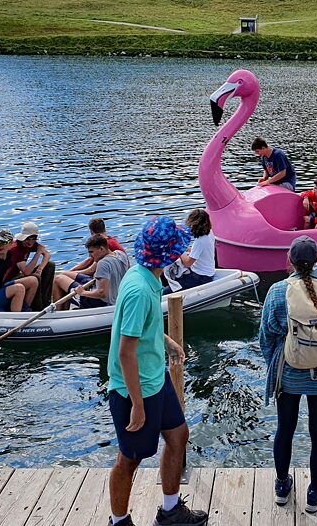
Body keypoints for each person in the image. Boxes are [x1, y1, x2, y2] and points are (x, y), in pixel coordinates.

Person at [106, 216, 208, 526]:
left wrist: (166, 342)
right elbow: (125, 351)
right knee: (130, 458)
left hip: (155, 379)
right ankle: (119, 521)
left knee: (178, 435)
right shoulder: (139, 289)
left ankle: (170, 510)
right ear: (168, 254)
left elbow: (138, 330)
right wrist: (136, 404)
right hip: (134, 390)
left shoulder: (146, 277)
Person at [259, 236, 317, 513]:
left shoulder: (277, 291)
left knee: (285, 429)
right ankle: (315, 492)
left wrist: (275, 363)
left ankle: (282, 486)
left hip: (289, 371)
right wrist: (316, 266)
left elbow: (266, 336)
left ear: (289, 261)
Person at [53, 235, 131, 309]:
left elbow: (102, 293)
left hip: (101, 302)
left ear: (101, 249)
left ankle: (58, 313)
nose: (90, 256)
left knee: (58, 279)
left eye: (91, 252)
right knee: (63, 274)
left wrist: (82, 292)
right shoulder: (120, 254)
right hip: (115, 294)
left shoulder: (103, 263)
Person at [0, 229, 39, 312]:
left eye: (3, 242)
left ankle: (25, 309)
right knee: (19, 288)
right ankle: (15, 317)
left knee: (33, 281)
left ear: (11, 243)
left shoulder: (9, 256)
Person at [175, 208, 216, 290]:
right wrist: (187, 249)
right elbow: (200, 251)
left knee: (169, 290)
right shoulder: (210, 233)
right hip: (208, 272)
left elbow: (187, 263)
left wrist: (180, 250)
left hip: (201, 277)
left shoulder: (200, 241)